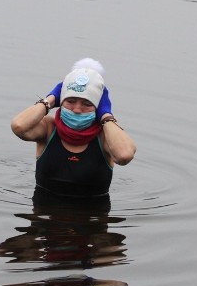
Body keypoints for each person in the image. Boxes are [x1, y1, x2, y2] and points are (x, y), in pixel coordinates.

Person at [11, 59, 136, 199]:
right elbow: (19, 126)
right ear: (61, 101)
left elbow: (124, 155)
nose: (77, 109)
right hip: (45, 217)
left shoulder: (104, 137)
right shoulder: (48, 128)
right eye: (70, 101)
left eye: (87, 103)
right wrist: (49, 100)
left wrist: (106, 116)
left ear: (97, 108)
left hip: (92, 217)